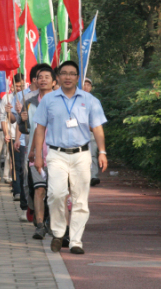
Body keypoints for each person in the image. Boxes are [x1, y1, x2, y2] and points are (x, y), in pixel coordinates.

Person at [32, 60, 108, 255]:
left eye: (72, 73)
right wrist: (38, 156)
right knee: (56, 194)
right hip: (56, 154)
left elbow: (98, 128)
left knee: (80, 199)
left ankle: (75, 240)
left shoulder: (89, 100)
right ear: (58, 77)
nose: (67, 77)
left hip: (82, 155)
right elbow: (40, 128)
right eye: (64, 73)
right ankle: (59, 233)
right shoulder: (48, 100)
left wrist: (102, 151)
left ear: (77, 77)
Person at [19, 65, 55, 239]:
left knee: (55, 192)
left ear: (54, 81)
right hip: (35, 152)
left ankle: (52, 221)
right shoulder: (29, 100)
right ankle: (40, 225)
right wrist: (22, 119)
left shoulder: (60, 100)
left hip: (58, 154)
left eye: (47, 77)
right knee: (39, 189)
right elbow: (25, 128)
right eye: (40, 77)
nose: (43, 80)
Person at [82, 78, 100, 187]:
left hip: (91, 133)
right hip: (78, 133)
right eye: (84, 84)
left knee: (92, 154)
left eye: (89, 85)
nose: (86, 87)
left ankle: (93, 176)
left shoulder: (94, 101)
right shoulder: (74, 99)